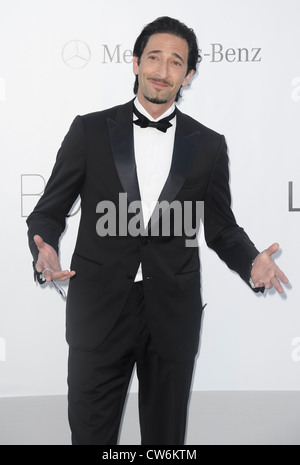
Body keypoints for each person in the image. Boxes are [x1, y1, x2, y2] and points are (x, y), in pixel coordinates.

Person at [27, 16, 288, 445]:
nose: (162, 71)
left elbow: (221, 229)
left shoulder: (208, 144)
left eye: (175, 62)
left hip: (172, 314)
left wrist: (250, 262)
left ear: (188, 75)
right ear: (134, 63)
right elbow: (49, 211)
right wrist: (45, 248)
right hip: (98, 311)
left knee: (165, 443)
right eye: (153, 57)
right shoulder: (89, 130)